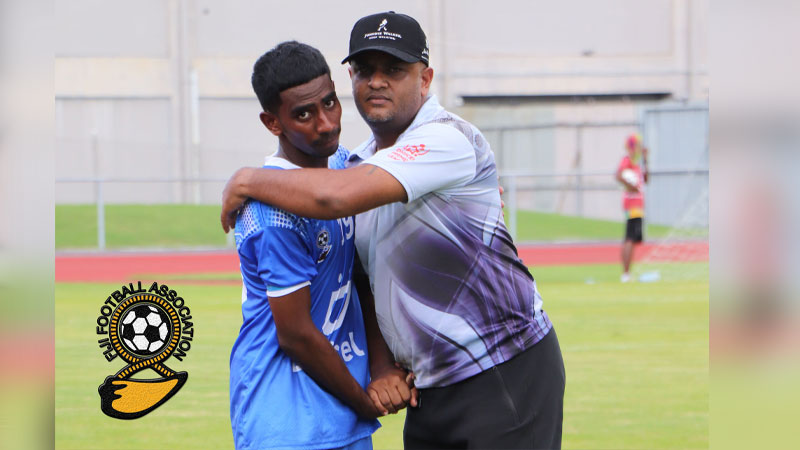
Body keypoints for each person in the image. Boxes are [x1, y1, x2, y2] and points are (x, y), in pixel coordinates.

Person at [222, 12, 565, 449]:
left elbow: (336, 196)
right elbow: (361, 279)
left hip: (500, 369)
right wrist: (382, 370)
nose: (378, 81)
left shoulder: (446, 139)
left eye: (395, 69)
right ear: (351, 77)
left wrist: (247, 179)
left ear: (426, 79)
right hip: (426, 388)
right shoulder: (357, 163)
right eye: (365, 70)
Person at [229, 41, 415, 450]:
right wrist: (364, 403)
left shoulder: (346, 169)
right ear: (272, 122)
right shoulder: (272, 216)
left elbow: (361, 276)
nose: (327, 123)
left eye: (330, 102)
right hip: (285, 422)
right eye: (304, 114)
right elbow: (295, 335)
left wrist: (382, 368)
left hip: (341, 417)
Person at [615, 133, 649, 283]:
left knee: (632, 239)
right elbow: (618, 175)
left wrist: (646, 160)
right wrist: (631, 187)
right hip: (632, 205)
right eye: (637, 145)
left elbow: (646, 180)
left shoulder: (637, 164)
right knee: (629, 238)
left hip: (638, 205)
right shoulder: (627, 160)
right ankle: (626, 274)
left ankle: (627, 273)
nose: (639, 148)